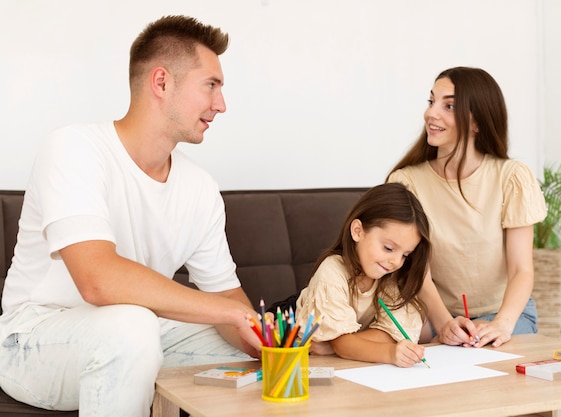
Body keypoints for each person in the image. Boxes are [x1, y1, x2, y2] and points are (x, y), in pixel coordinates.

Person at [0, 15, 262, 416]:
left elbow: (226, 296)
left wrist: (270, 340)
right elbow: (97, 281)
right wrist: (229, 312)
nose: (221, 104)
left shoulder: (200, 188)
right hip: (34, 339)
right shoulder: (73, 149)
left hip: (138, 331)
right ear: (161, 82)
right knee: (131, 327)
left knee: (252, 361)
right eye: (211, 85)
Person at [387, 66, 547, 348]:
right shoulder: (407, 181)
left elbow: (521, 268)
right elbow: (415, 268)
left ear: (477, 123)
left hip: (504, 314)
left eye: (448, 106)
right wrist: (443, 323)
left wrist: (501, 324)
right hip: (434, 316)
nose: (431, 113)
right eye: (431, 101)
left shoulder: (512, 177)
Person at [291, 182, 431, 368]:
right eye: (388, 248)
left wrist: (338, 345)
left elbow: (392, 334)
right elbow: (343, 345)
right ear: (358, 231)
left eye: (405, 255)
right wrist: (389, 352)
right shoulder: (332, 271)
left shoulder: (390, 276)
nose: (396, 262)